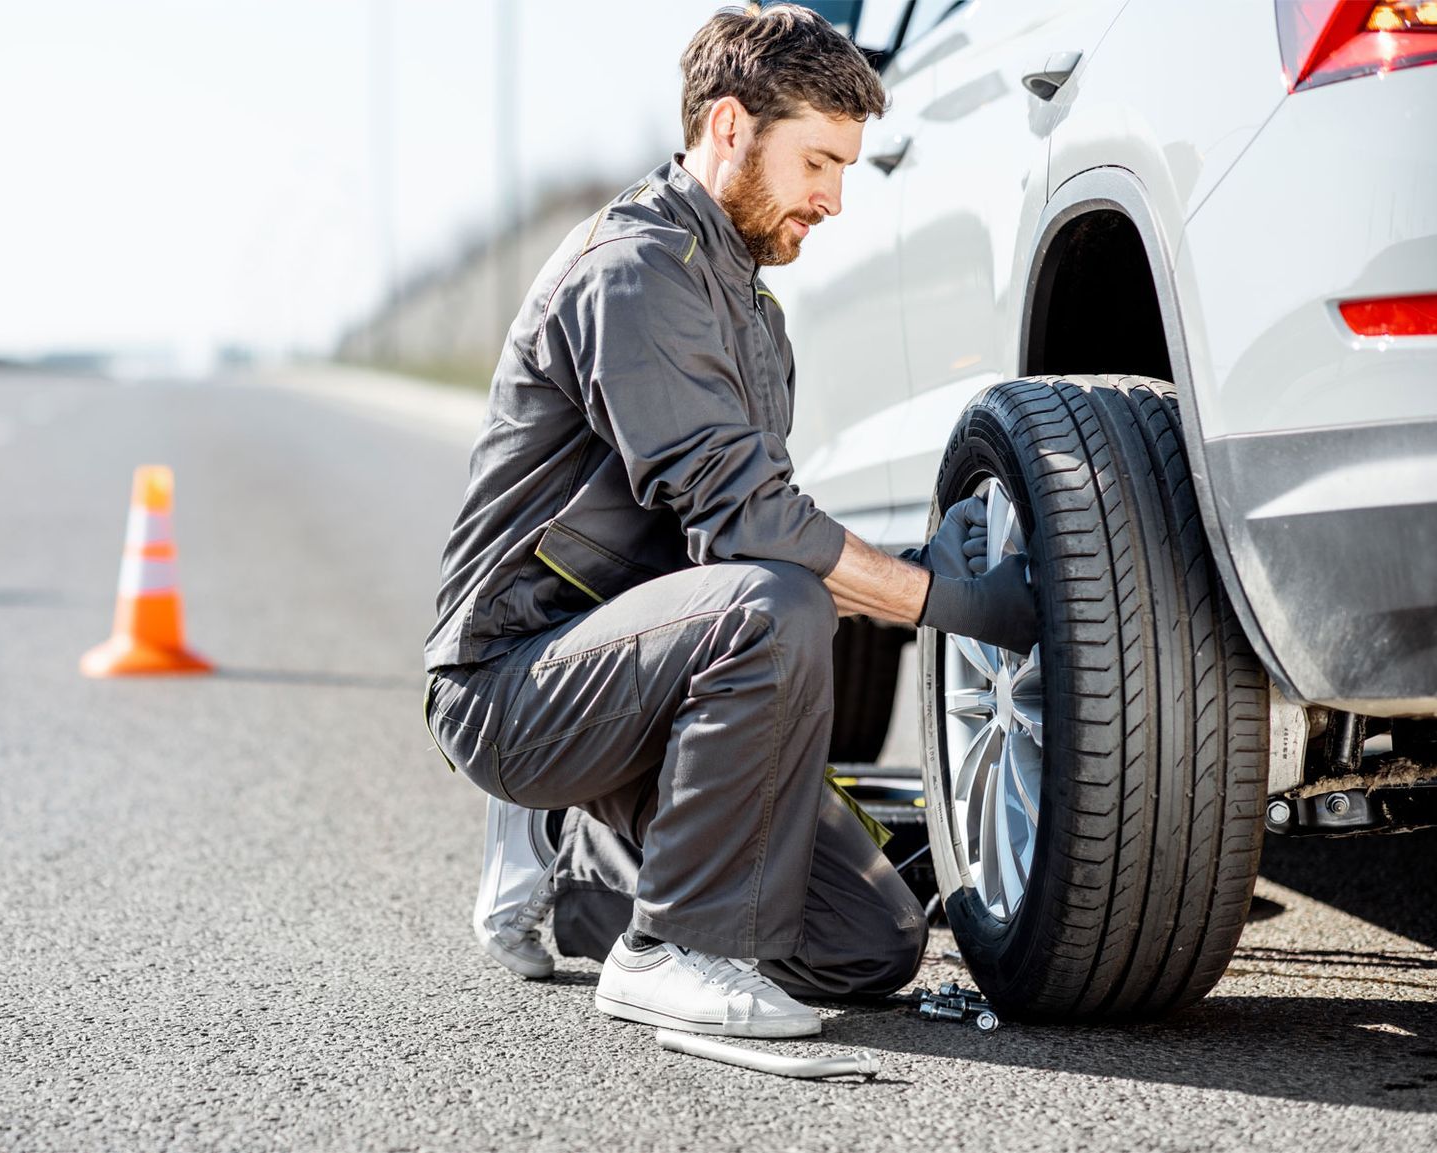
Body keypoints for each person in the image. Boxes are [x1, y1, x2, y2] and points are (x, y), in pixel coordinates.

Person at [423, 3, 1038, 1039]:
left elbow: (742, 530)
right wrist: (945, 599)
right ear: (727, 129)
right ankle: (672, 950)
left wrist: (898, 569)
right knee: (771, 606)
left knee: (866, 944)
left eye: (846, 168)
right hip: (512, 678)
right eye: (818, 163)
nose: (836, 198)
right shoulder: (636, 272)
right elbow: (752, 540)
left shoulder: (751, 309)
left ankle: (588, 870)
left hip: (637, 671)